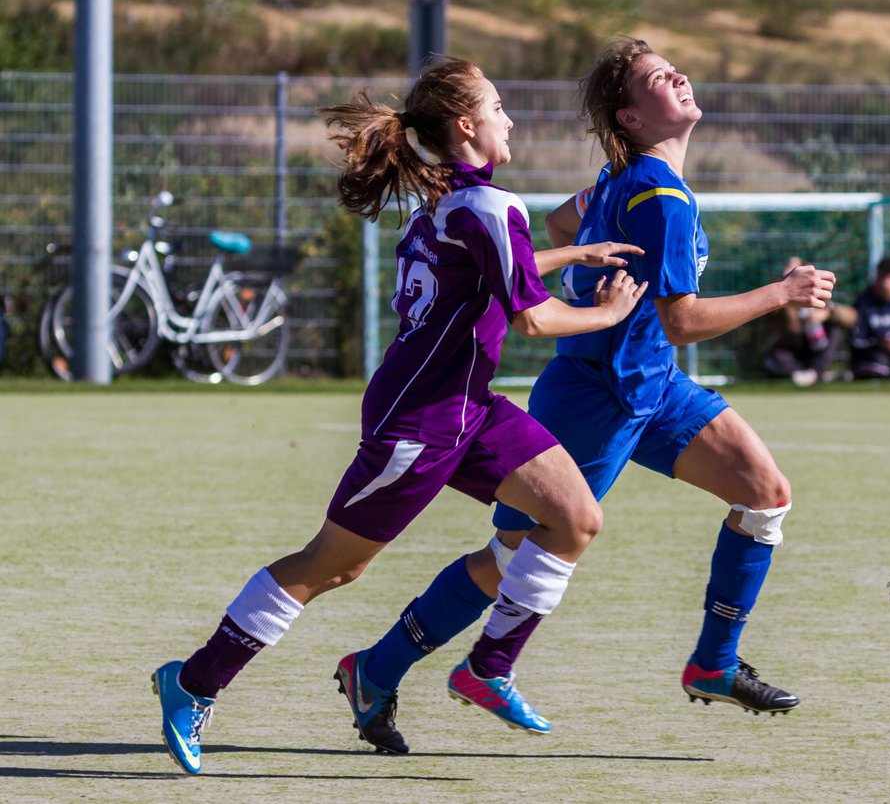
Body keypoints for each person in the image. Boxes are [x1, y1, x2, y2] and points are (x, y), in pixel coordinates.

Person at [151, 58, 649, 773]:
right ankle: (193, 682)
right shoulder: (487, 207)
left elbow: (489, 266)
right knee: (332, 567)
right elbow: (533, 319)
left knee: (574, 517)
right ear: (468, 126)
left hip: (468, 407)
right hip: (420, 419)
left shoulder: (449, 204)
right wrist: (606, 311)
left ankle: (488, 667)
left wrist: (572, 248)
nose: (512, 119)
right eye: (501, 107)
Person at [341, 37, 835, 754]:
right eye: (653, 78)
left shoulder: (617, 178)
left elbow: (561, 224)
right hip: (596, 394)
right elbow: (684, 320)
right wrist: (782, 293)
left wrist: (590, 261)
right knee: (512, 555)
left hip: (654, 386)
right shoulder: (659, 199)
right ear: (631, 117)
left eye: (672, 67)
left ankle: (713, 664)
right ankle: (387, 668)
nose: (677, 75)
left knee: (764, 494)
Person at [761, 256, 857, 386]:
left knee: (835, 329)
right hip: (791, 349)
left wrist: (828, 313)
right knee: (778, 358)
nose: (787, 271)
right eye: (787, 267)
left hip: (813, 349)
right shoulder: (776, 296)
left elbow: (852, 317)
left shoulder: (816, 295)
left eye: (793, 268)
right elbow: (785, 327)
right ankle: (806, 374)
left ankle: (816, 372)